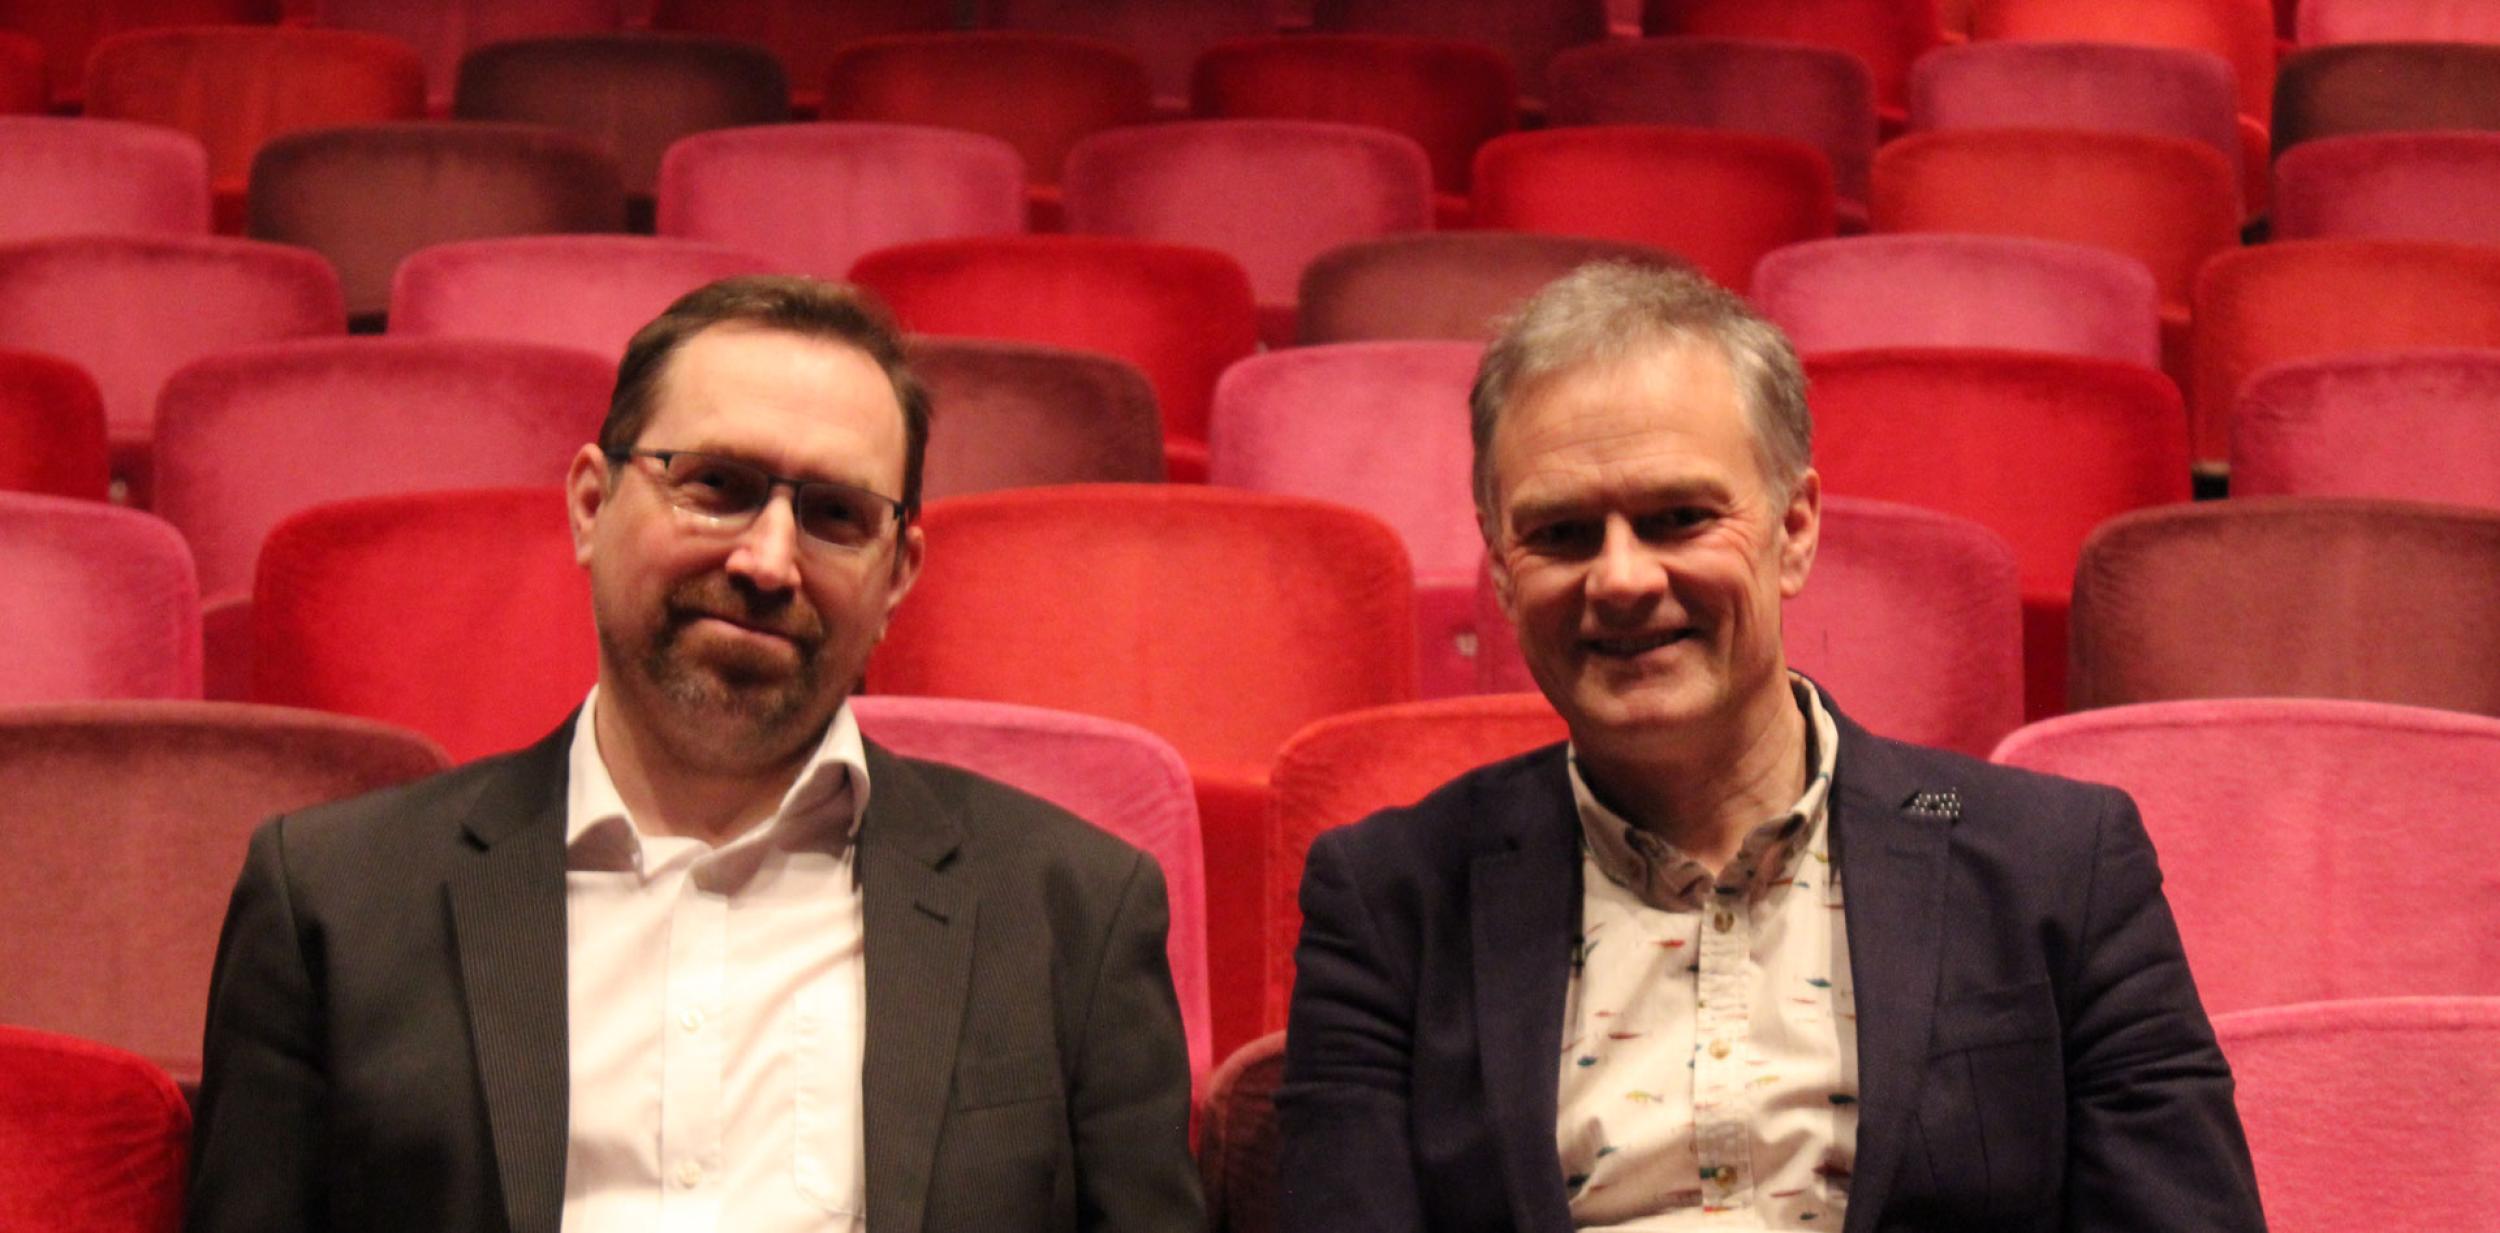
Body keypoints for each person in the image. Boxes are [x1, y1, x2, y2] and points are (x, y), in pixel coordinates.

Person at [186, 276, 1204, 1233]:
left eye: (834, 517)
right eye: (717, 486)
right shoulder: (334, 902)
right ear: (591, 503)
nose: (767, 560)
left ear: (898, 575)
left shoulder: (1073, 911)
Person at [1276, 263, 2265, 1233]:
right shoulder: (1388, 902)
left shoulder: (2059, 868)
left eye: (1679, 518)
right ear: (1499, 569)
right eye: (1564, 533)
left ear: (1792, 530)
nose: (1619, 578)